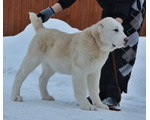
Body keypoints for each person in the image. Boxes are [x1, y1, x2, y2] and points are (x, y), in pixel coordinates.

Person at [37, 0, 146, 108]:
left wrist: (115, 25)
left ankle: (114, 96)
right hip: (110, 10)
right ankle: (101, 95)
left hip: (131, 11)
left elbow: (123, 3)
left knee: (122, 55)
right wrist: (51, 11)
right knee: (103, 53)